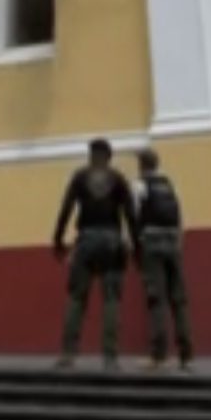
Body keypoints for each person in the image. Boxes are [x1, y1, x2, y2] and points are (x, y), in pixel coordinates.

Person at [53, 138, 140, 370]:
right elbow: (131, 215)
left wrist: (58, 241)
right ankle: (110, 358)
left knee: (76, 299)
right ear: (109, 157)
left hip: (86, 242)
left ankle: (68, 354)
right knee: (111, 300)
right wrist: (137, 248)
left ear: (91, 155)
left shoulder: (80, 177)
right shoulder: (118, 179)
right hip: (112, 242)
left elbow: (66, 208)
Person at [134, 149, 193, 370]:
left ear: (141, 165)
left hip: (151, 243)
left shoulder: (139, 186)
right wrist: (178, 242)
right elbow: (179, 216)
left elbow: (134, 216)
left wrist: (136, 247)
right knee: (179, 300)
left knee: (156, 299)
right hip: (172, 242)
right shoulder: (169, 184)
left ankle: (158, 355)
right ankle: (186, 355)